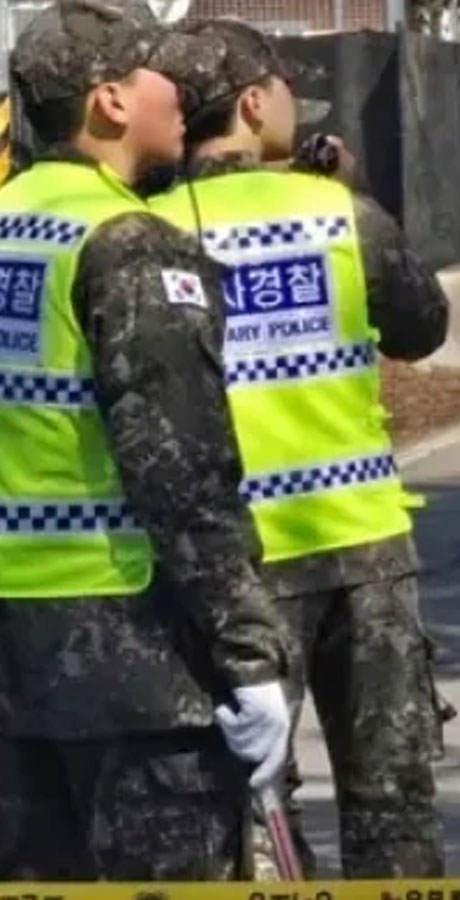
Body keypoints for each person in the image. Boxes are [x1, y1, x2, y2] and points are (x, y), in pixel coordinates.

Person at [146, 17, 452, 878]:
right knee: (391, 799)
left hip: (230, 568)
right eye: (285, 87)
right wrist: (352, 195)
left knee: (252, 802)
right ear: (253, 104)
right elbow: (422, 327)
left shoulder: (143, 232)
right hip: (361, 548)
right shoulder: (340, 215)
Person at [0, 0, 292, 879]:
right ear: (111, 101)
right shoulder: (128, 244)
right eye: (162, 74)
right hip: (132, 656)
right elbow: (184, 474)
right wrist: (248, 653)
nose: (184, 95)